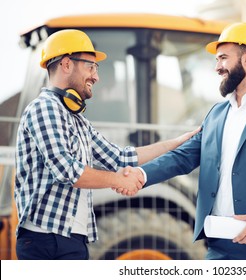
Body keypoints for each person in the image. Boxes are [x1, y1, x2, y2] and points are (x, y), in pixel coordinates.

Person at [119, 22, 246, 260]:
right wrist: (141, 174)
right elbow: (183, 157)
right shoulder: (216, 113)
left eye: (223, 58)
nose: (217, 67)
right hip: (219, 246)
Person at [14, 29, 198, 260]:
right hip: (47, 239)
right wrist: (119, 180)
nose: (96, 76)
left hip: (72, 238)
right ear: (67, 64)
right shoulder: (45, 108)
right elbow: (67, 170)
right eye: (90, 66)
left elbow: (121, 158)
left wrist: (177, 142)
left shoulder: (77, 120)